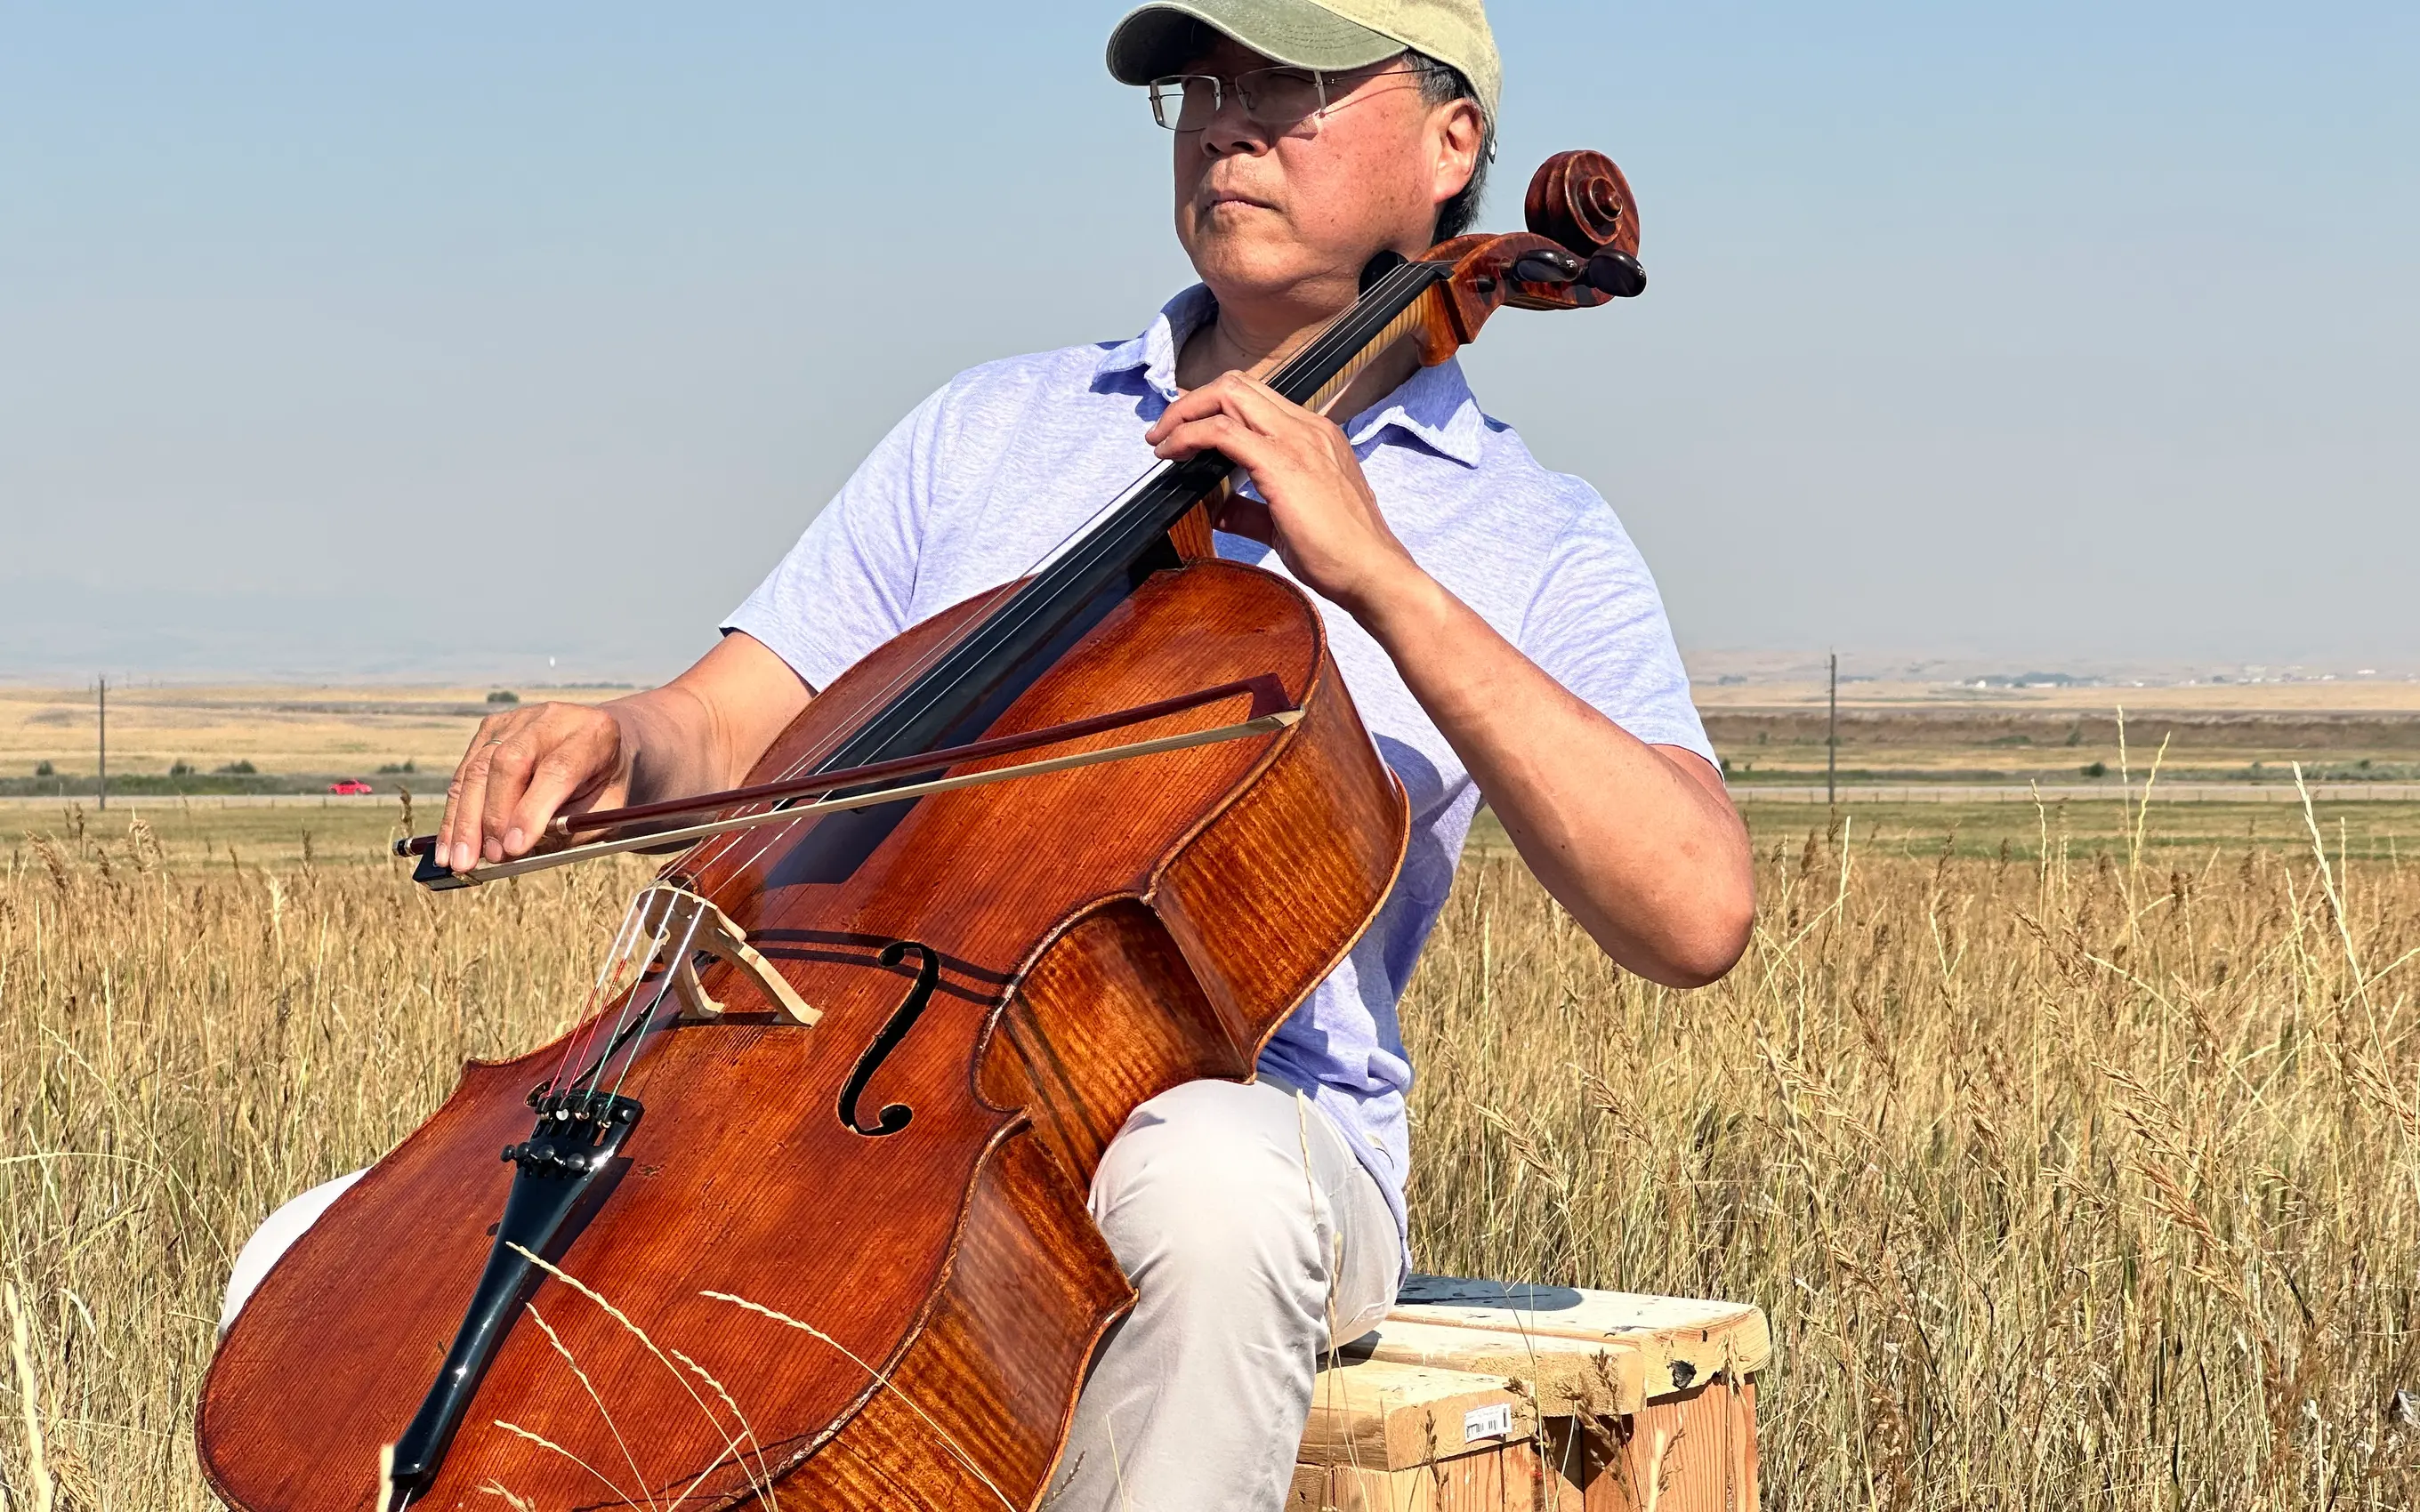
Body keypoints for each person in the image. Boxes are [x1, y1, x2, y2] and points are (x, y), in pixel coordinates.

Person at [217, 1, 1754, 1506]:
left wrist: (1384, 580)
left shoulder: (1535, 533)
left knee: (1208, 1185)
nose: (1227, 122)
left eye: (1289, 83)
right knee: (309, 1270)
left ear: (1451, 142)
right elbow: (738, 716)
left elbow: (1693, 910)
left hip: (1249, 1126)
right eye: (1200, 83)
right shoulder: (993, 427)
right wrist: (621, 737)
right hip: (822, 1068)